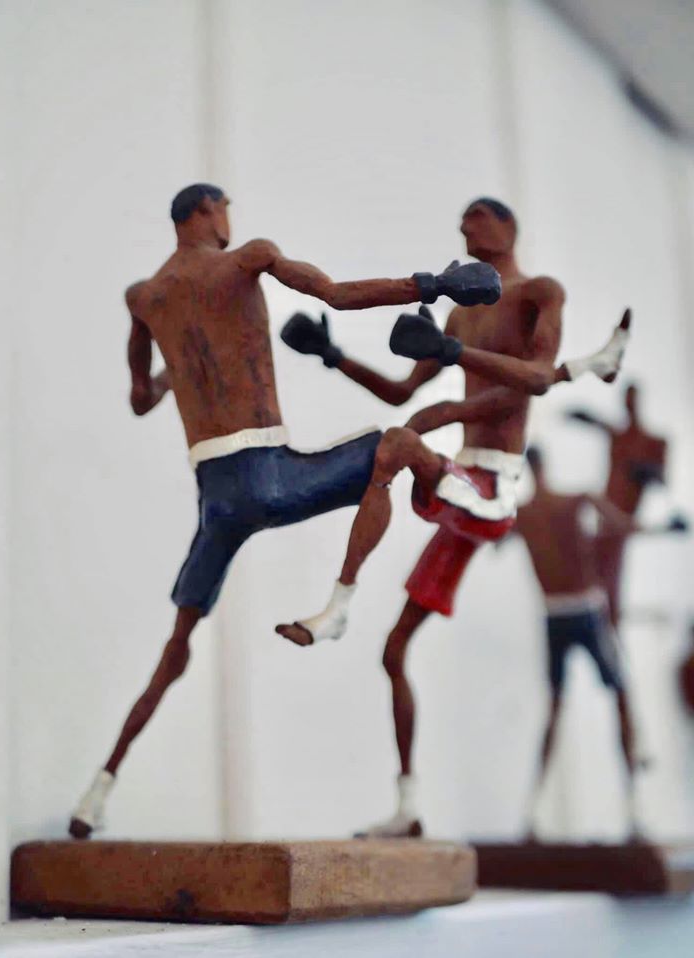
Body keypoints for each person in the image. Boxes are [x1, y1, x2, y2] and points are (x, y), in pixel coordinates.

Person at [68, 183, 503, 838]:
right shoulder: (248, 258)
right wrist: (432, 285)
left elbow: (139, 399)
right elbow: (336, 294)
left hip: (218, 500)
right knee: (396, 445)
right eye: (224, 208)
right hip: (270, 476)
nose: (229, 219)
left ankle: (97, 791)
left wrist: (182, 362)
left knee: (176, 648)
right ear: (206, 212)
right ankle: (356, 586)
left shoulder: (144, 298)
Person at [277, 198, 630, 836]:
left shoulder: (539, 293)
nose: (465, 229)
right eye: (462, 223)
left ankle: (338, 603)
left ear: (507, 228)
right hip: (463, 484)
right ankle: (408, 807)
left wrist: (453, 362)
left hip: (495, 489)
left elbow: (536, 380)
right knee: (394, 652)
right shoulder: (463, 310)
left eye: (476, 219)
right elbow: (402, 391)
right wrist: (333, 355)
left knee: (398, 444)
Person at [514, 446, 685, 838]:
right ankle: (632, 811)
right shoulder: (573, 501)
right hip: (583, 613)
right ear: (545, 466)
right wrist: (664, 528)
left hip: (558, 614)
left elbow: (491, 536)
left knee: (561, 708)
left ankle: (535, 813)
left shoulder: (525, 514)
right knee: (617, 698)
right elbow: (624, 527)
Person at [565, 384, 668, 628]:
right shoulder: (617, 435)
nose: (628, 405)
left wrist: (642, 471)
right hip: (607, 513)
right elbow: (597, 423)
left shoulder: (654, 441)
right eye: (626, 400)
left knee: (610, 568)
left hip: (624, 516)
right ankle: (601, 619)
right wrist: (582, 416)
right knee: (597, 565)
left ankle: (608, 620)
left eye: (632, 400)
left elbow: (661, 479)